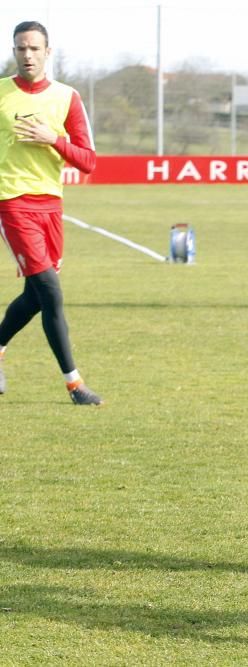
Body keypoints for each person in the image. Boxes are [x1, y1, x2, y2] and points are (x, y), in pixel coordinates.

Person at [0, 21, 101, 405]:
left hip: (50, 207)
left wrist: (53, 139)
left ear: (48, 52)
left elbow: (88, 160)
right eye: (20, 49)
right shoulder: (1, 93)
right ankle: (75, 384)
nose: (27, 55)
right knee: (51, 293)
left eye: (34, 49)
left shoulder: (67, 97)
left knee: (33, 294)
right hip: (11, 202)